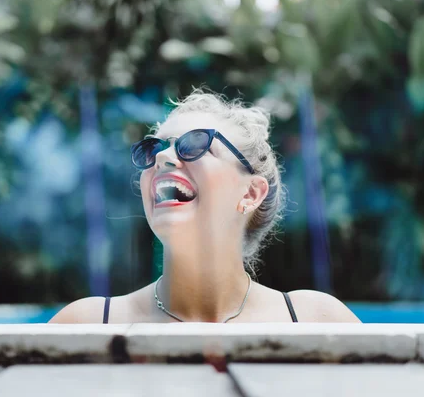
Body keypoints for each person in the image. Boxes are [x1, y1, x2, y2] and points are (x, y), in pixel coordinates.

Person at [50, 88, 360, 324]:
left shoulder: (315, 321)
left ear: (251, 193)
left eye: (196, 144)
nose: (161, 157)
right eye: (153, 147)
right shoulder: (88, 323)